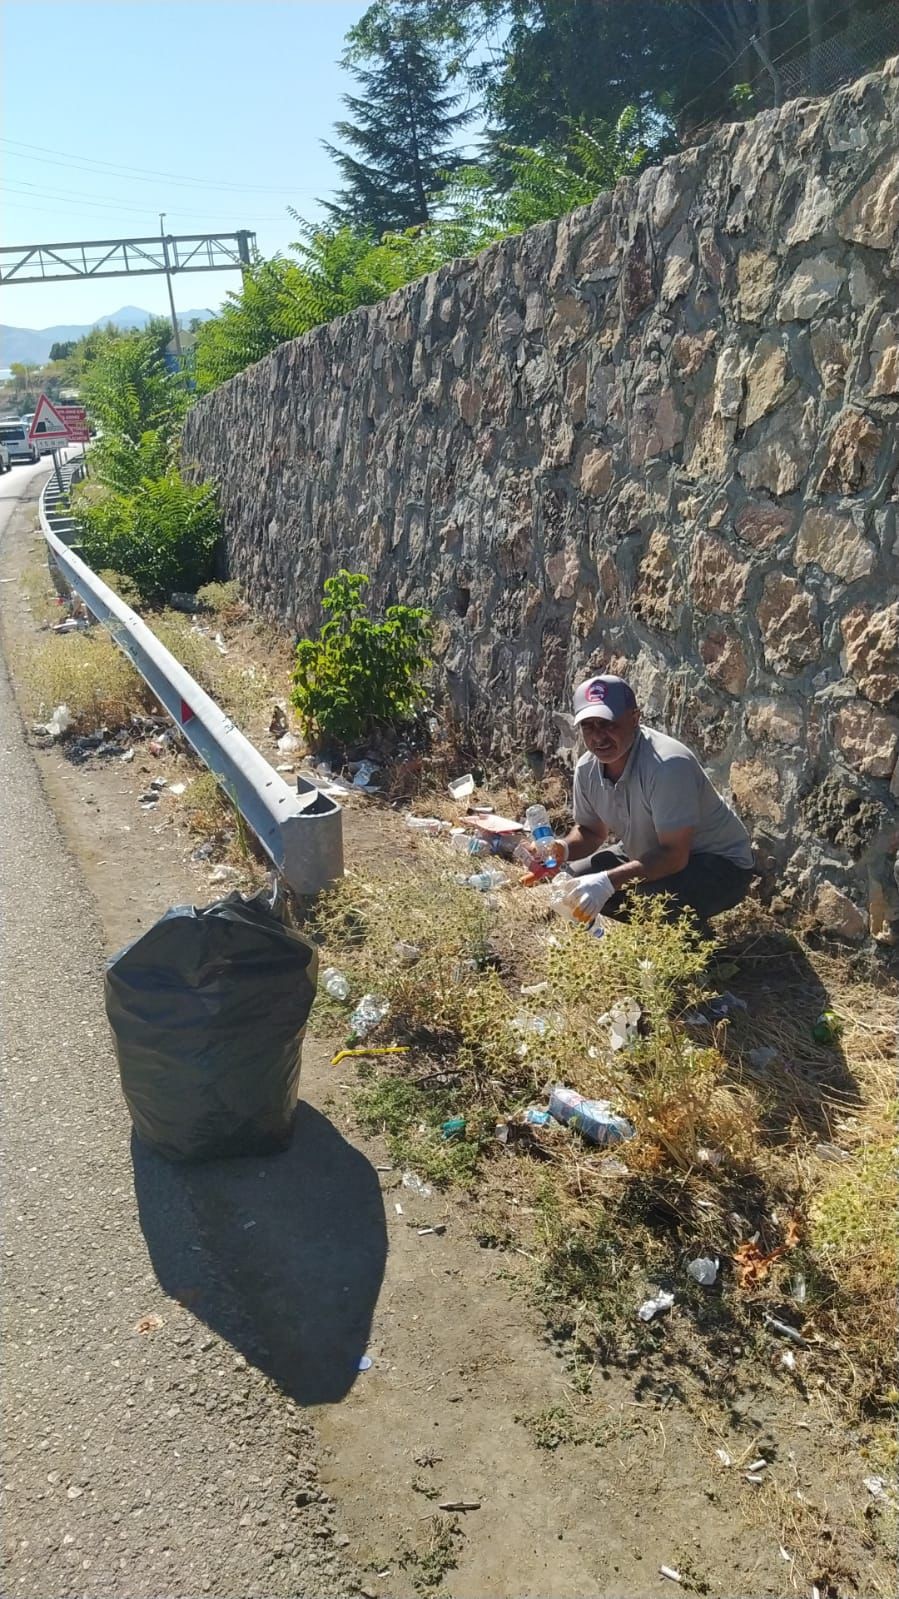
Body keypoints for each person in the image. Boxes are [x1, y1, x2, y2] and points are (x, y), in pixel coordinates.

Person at [543, 674, 756, 924]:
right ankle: (654, 934)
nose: (598, 737)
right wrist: (561, 849)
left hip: (719, 863)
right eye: (588, 726)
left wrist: (608, 882)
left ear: (635, 718)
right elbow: (591, 832)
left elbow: (674, 855)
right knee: (571, 883)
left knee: (649, 899)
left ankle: (698, 955)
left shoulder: (667, 765)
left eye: (608, 723)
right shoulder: (587, 768)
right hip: (651, 850)